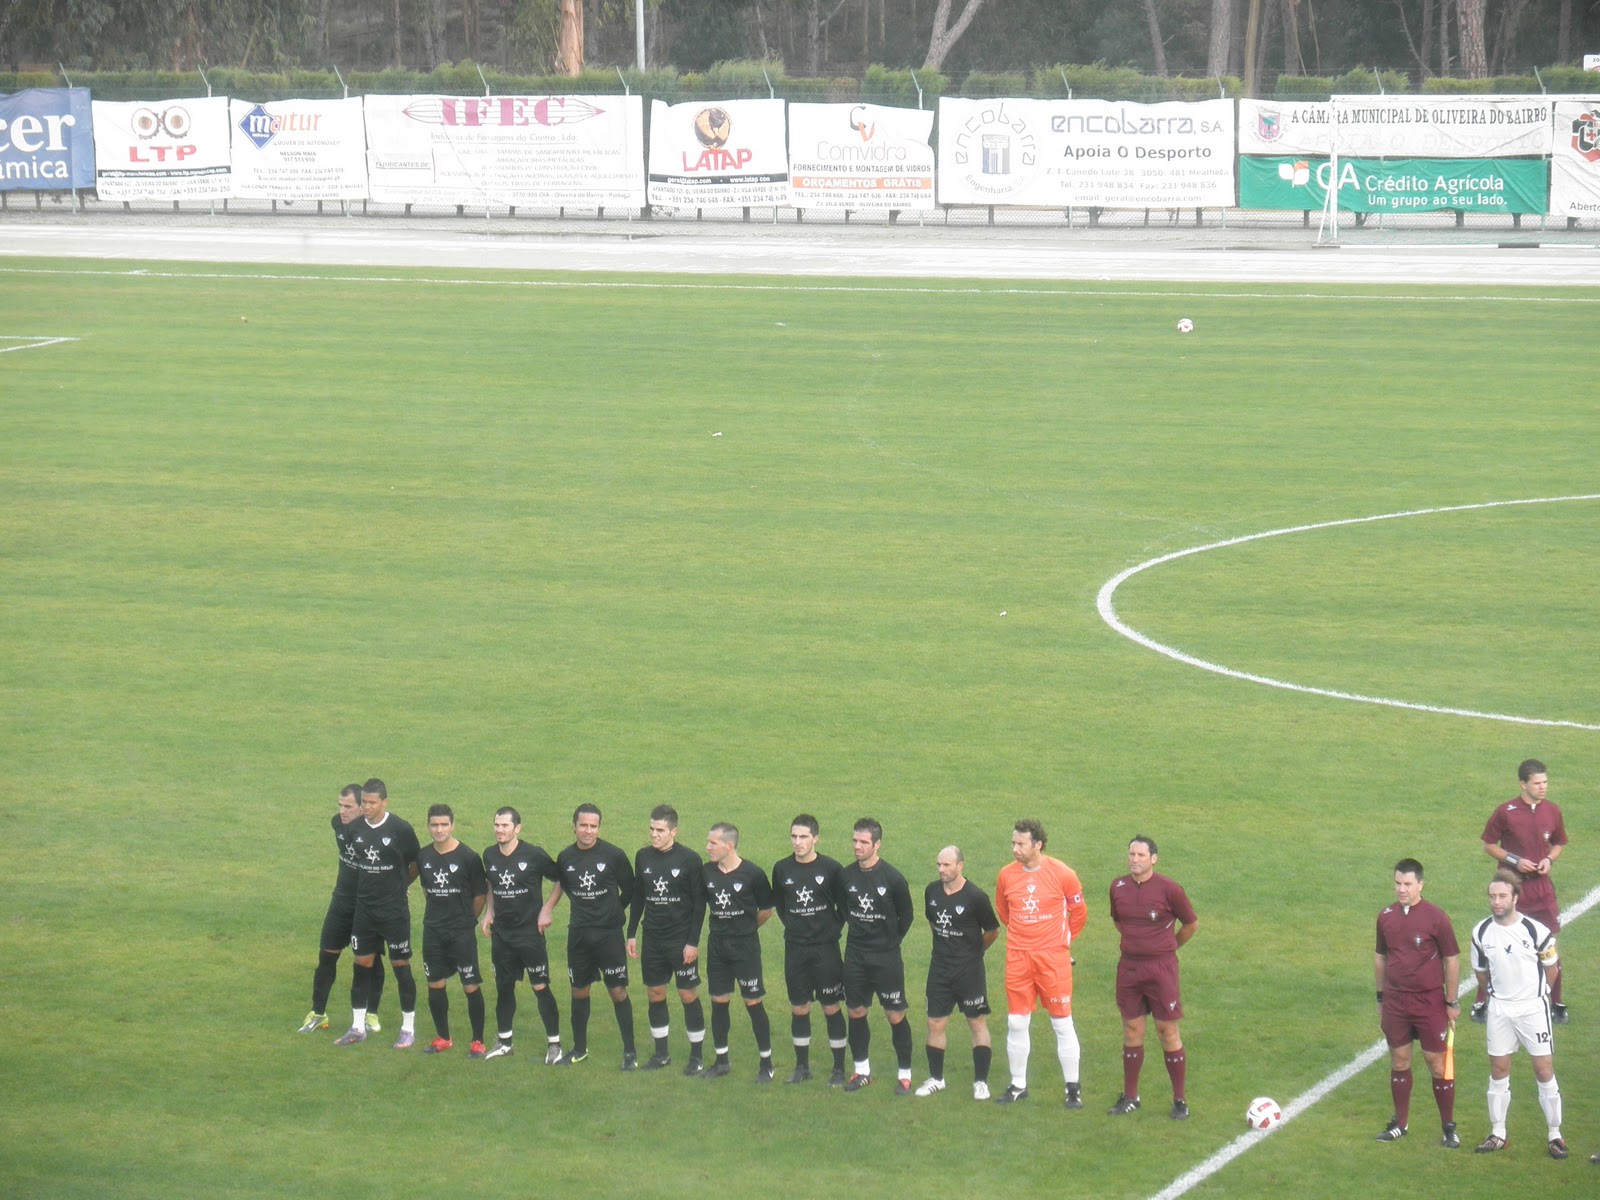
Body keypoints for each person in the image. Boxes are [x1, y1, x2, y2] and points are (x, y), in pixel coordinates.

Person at [993, 819, 1088, 1108]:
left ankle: (1073, 1088)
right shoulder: (1006, 875)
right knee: (1016, 1021)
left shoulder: (1063, 874)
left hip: (1052, 959)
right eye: (1013, 843)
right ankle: (1018, 1084)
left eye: (1020, 844)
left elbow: (1079, 912)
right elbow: (1004, 912)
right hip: (1019, 957)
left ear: (1038, 845)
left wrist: (1061, 943)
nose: (1015, 849)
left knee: (1061, 1022)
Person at [1470, 871, 1566, 1158]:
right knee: (1498, 1071)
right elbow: (1481, 973)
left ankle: (1555, 1134)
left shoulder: (1537, 931)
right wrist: (1498, 997)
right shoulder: (1481, 932)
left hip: (1533, 1009)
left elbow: (1552, 969)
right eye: (1492, 896)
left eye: (1502, 896)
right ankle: (1498, 1133)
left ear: (1514, 898)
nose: (1496, 902)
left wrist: (1537, 996)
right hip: (1500, 1010)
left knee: (1543, 1070)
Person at [1107, 835, 1199, 1119]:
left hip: (1161, 969)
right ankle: (1131, 1096)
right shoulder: (1117, 887)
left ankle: (1180, 1100)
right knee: (1132, 1030)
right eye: (1131, 854)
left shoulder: (1170, 889)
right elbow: (1118, 920)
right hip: (1130, 968)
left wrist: (1167, 947)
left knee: (1167, 1031)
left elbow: (1191, 924)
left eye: (1141, 855)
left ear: (1153, 859)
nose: (1135, 860)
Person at [541, 803, 638, 1068]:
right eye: (583, 825)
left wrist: (614, 910)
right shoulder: (566, 857)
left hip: (609, 936)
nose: (588, 831)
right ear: (574, 826)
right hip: (579, 936)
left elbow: (630, 888)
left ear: (599, 827)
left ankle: (630, 1052)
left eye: (593, 826)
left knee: (617, 991)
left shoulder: (614, 855)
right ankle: (580, 1049)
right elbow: (565, 885)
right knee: (579, 991)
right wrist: (547, 909)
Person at [1374, 857, 1460, 1146]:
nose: (1401, 889)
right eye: (1398, 883)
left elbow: (1452, 959)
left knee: (1437, 1064)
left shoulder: (1437, 918)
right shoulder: (1385, 916)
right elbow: (1380, 957)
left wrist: (1451, 1001)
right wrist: (1380, 996)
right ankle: (1401, 1123)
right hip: (1396, 1001)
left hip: (1429, 1002)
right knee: (1399, 1061)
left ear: (1420, 885)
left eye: (1407, 884)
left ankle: (1448, 1127)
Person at [1477, 759, 1568, 1024]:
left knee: (1549, 945)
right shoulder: (1506, 811)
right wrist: (1516, 860)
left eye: (1545, 782)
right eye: (1537, 783)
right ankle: (1483, 1002)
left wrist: (1549, 859)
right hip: (1512, 889)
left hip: (1542, 890)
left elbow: (1559, 843)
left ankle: (1556, 1002)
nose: (1543, 787)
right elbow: (1488, 844)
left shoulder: (1552, 810)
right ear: (1523, 785)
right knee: (1500, 945)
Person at [335, 779, 421, 1048]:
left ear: (385, 802)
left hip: (393, 911)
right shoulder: (355, 828)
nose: (367, 807)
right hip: (365, 910)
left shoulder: (400, 829)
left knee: (401, 966)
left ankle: (408, 1028)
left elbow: (416, 862)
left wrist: (401, 885)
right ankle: (357, 1026)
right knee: (361, 965)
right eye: (364, 802)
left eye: (372, 802)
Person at [297, 783, 386, 1034]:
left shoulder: (375, 834)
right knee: (326, 955)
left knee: (371, 960)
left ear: (363, 807)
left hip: (368, 904)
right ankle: (318, 1013)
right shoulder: (337, 824)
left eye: (348, 806)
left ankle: (371, 1014)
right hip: (342, 900)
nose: (342, 811)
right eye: (340, 805)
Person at [914, 845, 1000, 1101]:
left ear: (960, 865)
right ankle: (936, 1079)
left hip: (969, 972)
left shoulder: (975, 897)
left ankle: (981, 1082)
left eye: (947, 865)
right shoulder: (931, 891)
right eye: (939, 865)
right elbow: (932, 920)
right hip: (939, 969)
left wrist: (974, 953)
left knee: (976, 1023)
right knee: (934, 1022)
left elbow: (993, 931)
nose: (941, 869)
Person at [626, 805, 708, 1073]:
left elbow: (699, 905)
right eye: (651, 829)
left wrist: (692, 942)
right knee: (655, 993)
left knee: (687, 994)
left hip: (680, 941)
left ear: (674, 831)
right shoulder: (643, 857)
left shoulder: (690, 860)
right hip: (653, 939)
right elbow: (639, 896)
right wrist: (631, 933)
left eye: (660, 830)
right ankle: (661, 1054)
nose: (654, 835)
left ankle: (696, 1057)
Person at [479, 806, 564, 1061]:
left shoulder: (534, 854)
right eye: (496, 825)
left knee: (540, 987)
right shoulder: (489, 855)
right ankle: (505, 1042)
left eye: (505, 826)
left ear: (517, 828)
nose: (499, 830)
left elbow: (561, 879)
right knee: (504, 988)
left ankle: (555, 1045)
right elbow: (491, 883)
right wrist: (489, 912)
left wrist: (546, 910)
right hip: (502, 935)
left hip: (529, 934)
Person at [839, 817, 916, 1095]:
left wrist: (890, 941)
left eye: (863, 842)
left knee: (895, 1014)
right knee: (856, 1011)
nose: (857, 847)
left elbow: (906, 915)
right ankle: (861, 1071)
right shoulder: (846, 876)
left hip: (886, 959)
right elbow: (843, 909)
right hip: (856, 956)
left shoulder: (893, 878)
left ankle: (905, 1075)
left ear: (877, 844)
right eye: (855, 841)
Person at [771, 815, 849, 1086]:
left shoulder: (831, 869)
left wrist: (830, 929)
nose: (797, 842)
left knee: (830, 1006)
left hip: (825, 950)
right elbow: (781, 906)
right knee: (799, 1007)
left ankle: (838, 1069)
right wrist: (795, 926)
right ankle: (802, 1067)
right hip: (795, 949)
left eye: (803, 837)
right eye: (794, 836)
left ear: (815, 838)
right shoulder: (781, 869)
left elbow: (844, 906)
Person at [701, 823, 776, 1081]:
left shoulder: (752, 874)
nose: (707, 847)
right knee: (719, 1001)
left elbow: (767, 908)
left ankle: (766, 1064)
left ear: (729, 846)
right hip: (717, 946)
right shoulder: (706, 872)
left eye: (713, 843)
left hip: (745, 948)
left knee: (753, 1002)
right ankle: (722, 1062)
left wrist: (746, 927)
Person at [418, 804, 489, 1055]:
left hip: (461, 932)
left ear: (453, 825)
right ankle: (443, 1037)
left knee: (470, 985)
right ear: (428, 826)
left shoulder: (468, 857)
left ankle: (478, 1041)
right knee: (435, 984)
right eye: (435, 825)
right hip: (433, 930)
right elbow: (427, 889)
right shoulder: (424, 856)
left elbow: (480, 894)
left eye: (444, 825)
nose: (439, 830)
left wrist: (468, 919)